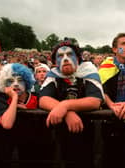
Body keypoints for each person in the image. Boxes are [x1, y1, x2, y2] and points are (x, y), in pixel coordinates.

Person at [39, 40, 104, 168]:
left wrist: (65, 106)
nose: (66, 58)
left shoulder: (88, 70)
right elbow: (43, 99)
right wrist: (68, 112)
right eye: (60, 56)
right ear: (55, 62)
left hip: (87, 134)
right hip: (61, 135)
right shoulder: (53, 74)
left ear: (78, 58)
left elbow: (95, 100)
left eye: (69, 54)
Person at [98, 33, 125, 168]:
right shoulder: (105, 67)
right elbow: (102, 89)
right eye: (123, 44)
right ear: (115, 49)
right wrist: (112, 105)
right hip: (109, 117)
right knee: (108, 156)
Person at [0, 63, 37, 129]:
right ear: (4, 84)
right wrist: (14, 98)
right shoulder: (2, 100)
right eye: (10, 81)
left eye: (20, 80)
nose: (16, 84)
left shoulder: (37, 98)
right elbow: (7, 124)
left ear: (26, 82)